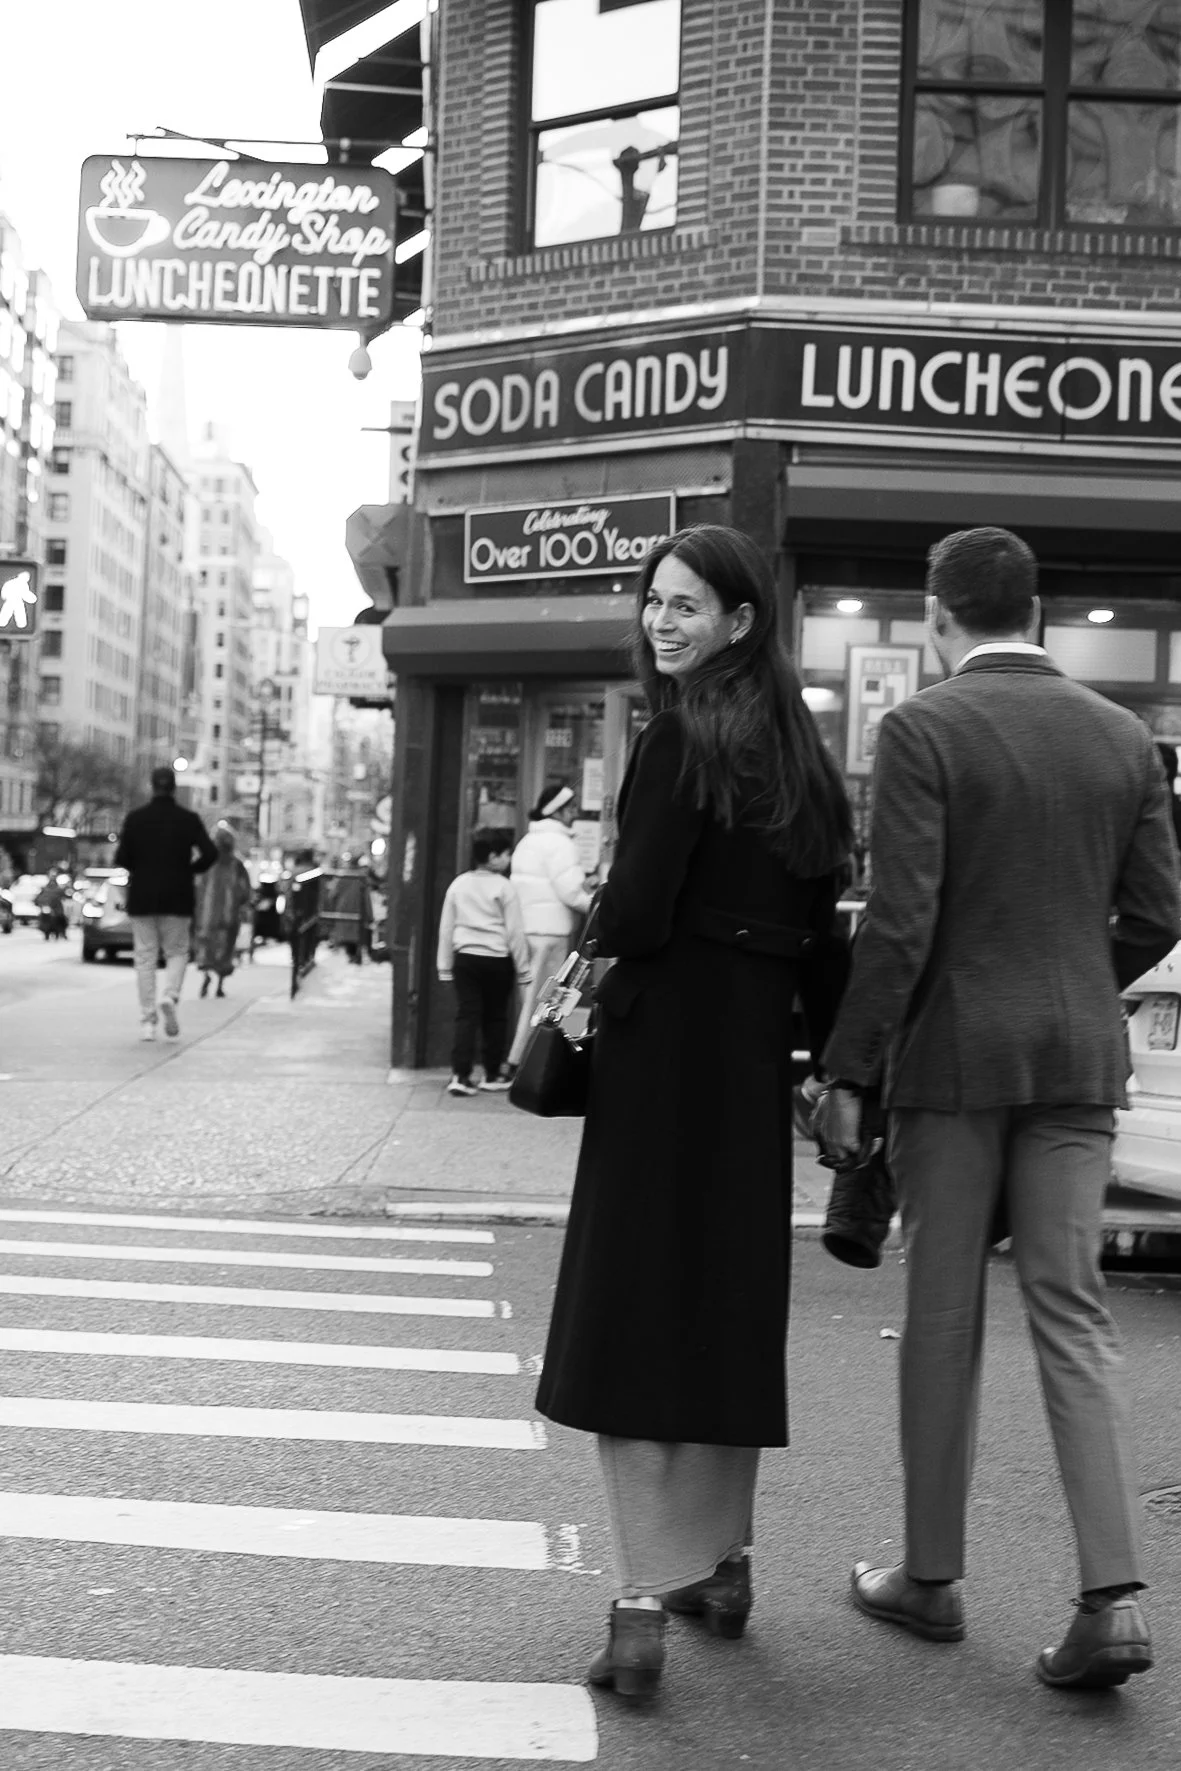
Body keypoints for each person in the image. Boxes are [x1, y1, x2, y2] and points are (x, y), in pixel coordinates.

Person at [819, 527, 1181, 1691]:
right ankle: (1109, 1599)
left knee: (941, 1314)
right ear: (1041, 611)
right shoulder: (1123, 736)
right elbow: (1156, 910)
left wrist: (847, 1069)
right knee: (1071, 1315)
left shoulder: (923, 728)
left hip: (955, 1060)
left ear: (936, 615)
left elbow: (900, 919)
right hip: (1077, 1058)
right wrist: (1073, 969)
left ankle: (930, 1577)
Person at [534, 524, 852, 1700]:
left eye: (685, 605)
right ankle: (722, 1565)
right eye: (653, 602)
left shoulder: (675, 743)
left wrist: (606, 917)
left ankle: (635, 1605)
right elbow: (825, 938)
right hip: (748, 1055)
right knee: (721, 1311)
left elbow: (636, 915)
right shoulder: (805, 759)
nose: (662, 622)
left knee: (632, 1315)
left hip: (660, 1049)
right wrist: (833, 1069)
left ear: (737, 620)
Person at [114, 765, 218, 1041]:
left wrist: (143, 866)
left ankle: (148, 1021)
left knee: (145, 958)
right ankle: (170, 995)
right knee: (177, 951)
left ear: (152, 786)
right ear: (173, 787)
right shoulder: (188, 819)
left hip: (143, 895)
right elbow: (210, 852)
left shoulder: (136, 819)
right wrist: (189, 870)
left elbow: (122, 857)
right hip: (178, 894)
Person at [505, 782, 594, 1078]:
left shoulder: (527, 841)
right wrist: (596, 903)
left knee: (533, 998)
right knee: (549, 1001)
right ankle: (525, 1063)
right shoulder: (560, 844)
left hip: (527, 931)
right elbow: (571, 892)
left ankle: (521, 1060)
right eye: (571, 808)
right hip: (551, 934)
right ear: (561, 811)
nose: (574, 813)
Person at [437, 829, 533, 1096]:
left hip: (465, 959)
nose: (508, 858)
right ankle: (492, 1074)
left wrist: (444, 966)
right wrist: (523, 969)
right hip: (497, 960)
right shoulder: (504, 887)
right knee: (495, 1017)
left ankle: (460, 1075)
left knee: (466, 1015)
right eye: (505, 854)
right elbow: (515, 931)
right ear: (492, 857)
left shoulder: (459, 884)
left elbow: (446, 928)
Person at [194, 824, 254, 999]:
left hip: (206, 915)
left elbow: (196, 885)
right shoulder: (237, 865)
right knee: (225, 950)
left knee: (206, 947)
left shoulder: (206, 862)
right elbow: (245, 890)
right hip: (228, 916)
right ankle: (220, 984)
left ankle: (206, 976)